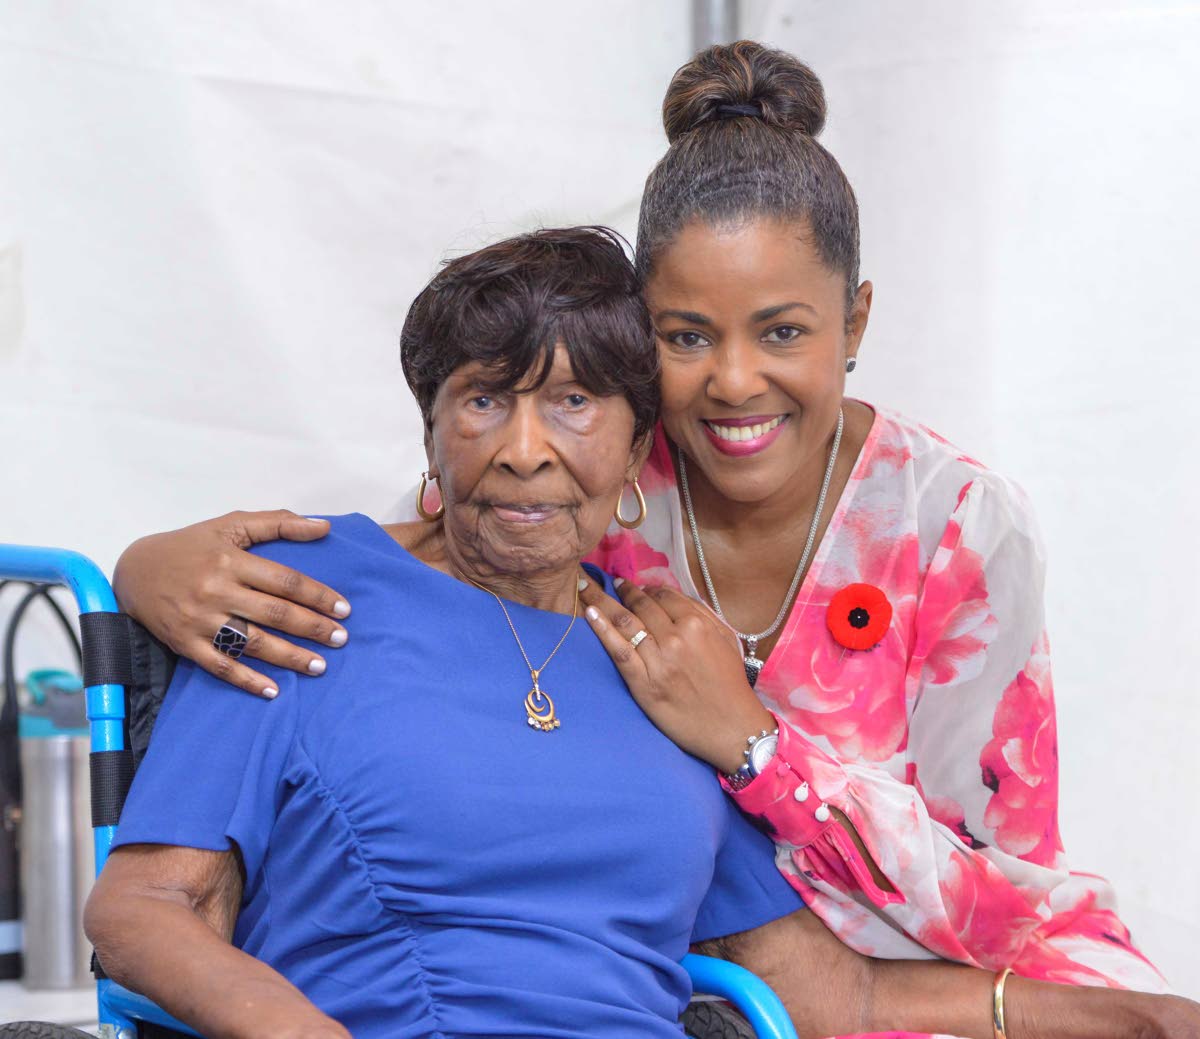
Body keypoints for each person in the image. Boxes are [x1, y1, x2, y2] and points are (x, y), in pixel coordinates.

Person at [109, 44, 1191, 1011]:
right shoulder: (363, 575)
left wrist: (757, 748)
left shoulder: (909, 544)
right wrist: (142, 564)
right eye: (684, 335)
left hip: (922, 953)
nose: (731, 379)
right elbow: (152, 899)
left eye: (783, 329)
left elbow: (895, 955)